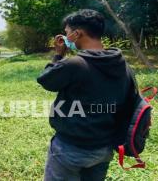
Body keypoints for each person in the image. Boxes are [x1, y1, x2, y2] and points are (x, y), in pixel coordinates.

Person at [37, 9, 138, 181]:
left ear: (77, 34)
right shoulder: (124, 66)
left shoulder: (75, 64)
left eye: (67, 33)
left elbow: (46, 80)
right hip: (104, 148)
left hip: (70, 149)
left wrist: (58, 55)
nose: (66, 37)